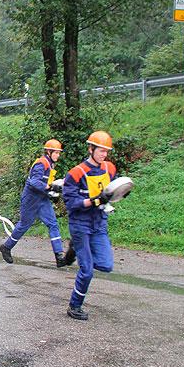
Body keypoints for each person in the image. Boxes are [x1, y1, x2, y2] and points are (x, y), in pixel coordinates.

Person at [62, 131, 118, 321]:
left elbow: (113, 189)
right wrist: (93, 201)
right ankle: (74, 306)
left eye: (106, 151)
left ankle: (75, 249)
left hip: (99, 223)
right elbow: (71, 203)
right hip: (80, 224)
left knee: (106, 265)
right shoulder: (76, 173)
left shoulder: (109, 168)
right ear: (91, 149)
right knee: (87, 270)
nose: (104, 154)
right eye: (101, 150)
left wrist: (120, 193)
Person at [0, 139, 75, 268]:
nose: (58, 155)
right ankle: (6, 247)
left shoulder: (50, 165)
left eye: (59, 153)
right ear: (49, 152)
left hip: (42, 199)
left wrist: (52, 193)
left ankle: (59, 256)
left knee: (53, 224)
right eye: (56, 153)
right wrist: (50, 187)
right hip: (30, 199)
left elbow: (46, 184)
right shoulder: (41, 163)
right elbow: (34, 182)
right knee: (24, 225)